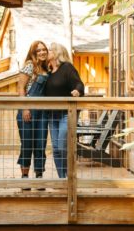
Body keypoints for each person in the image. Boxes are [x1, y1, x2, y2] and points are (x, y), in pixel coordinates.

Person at [45, 42, 84, 178]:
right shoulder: (48, 71)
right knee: (55, 149)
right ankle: (62, 179)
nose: (46, 52)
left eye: (49, 50)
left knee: (62, 146)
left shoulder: (67, 68)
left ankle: (69, 178)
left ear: (57, 53)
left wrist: (77, 91)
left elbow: (79, 83)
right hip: (52, 115)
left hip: (66, 114)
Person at [16, 40, 49, 189]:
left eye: (44, 50)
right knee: (27, 144)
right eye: (39, 51)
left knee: (40, 144)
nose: (42, 52)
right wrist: (25, 108)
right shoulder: (29, 65)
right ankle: (24, 177)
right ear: (33, 53)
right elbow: (21, 88)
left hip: (42, 112)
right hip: (28, 110)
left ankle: (39, 176)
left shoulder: (46, 68)